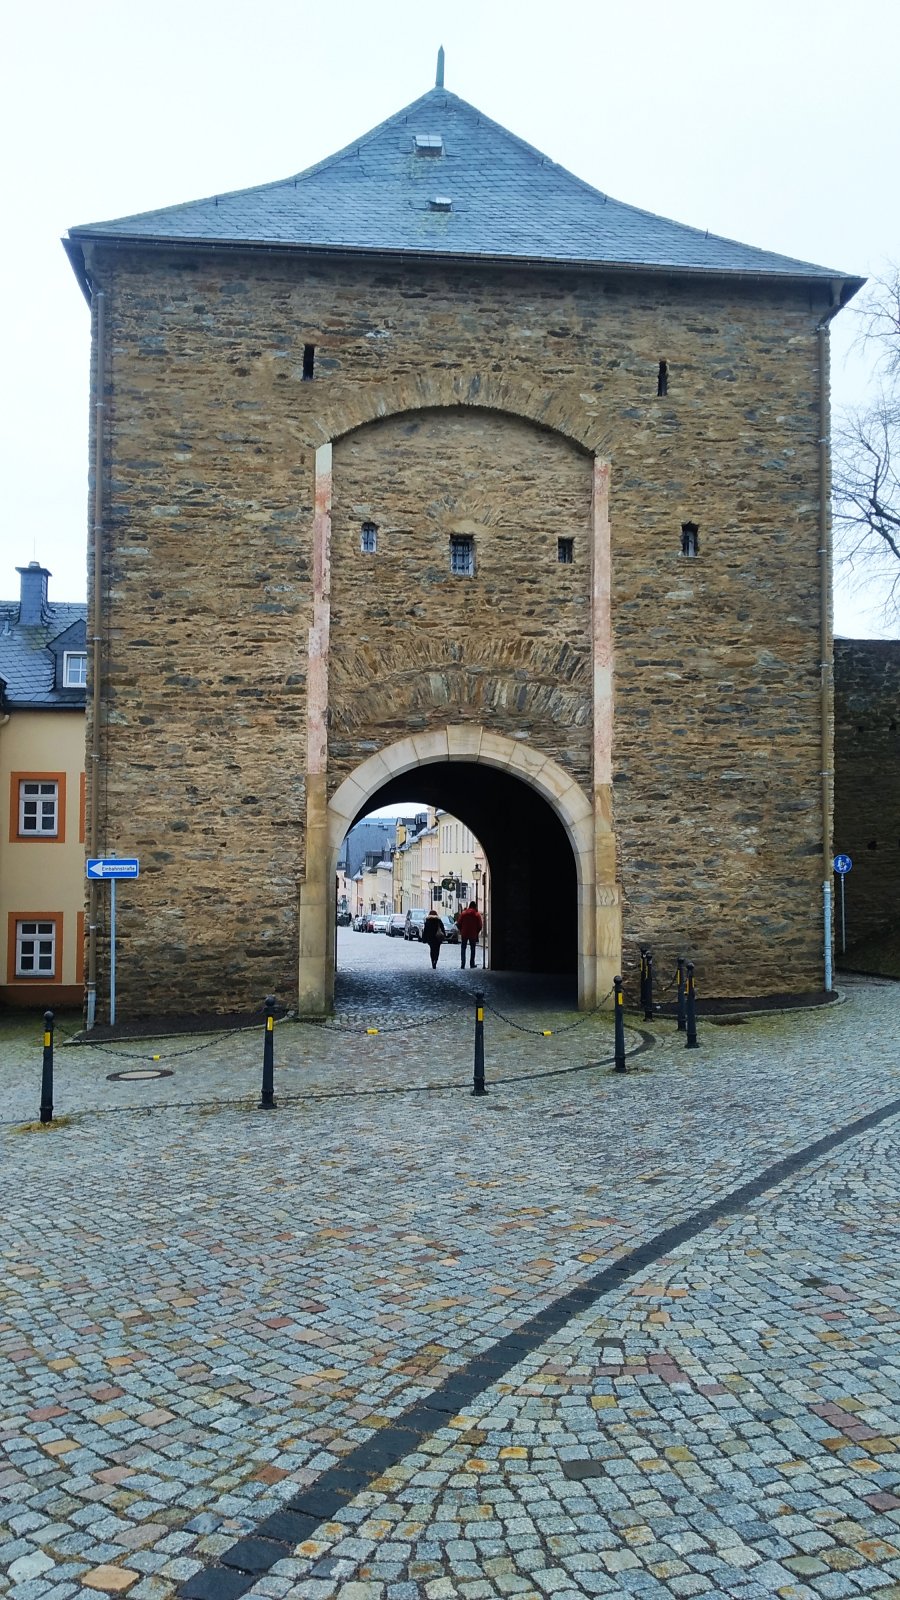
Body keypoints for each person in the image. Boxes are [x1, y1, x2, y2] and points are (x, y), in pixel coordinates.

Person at [456, 901, 483, 970]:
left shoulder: (463, 913)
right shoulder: (477, 914)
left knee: (463, 948)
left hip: (464, 933)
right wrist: (476, 932)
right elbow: (480, 925)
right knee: (473, 949)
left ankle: (463, 964)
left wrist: (461, 930)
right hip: (473, 934)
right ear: (475, 907)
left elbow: (458, 923)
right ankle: (472, 963)